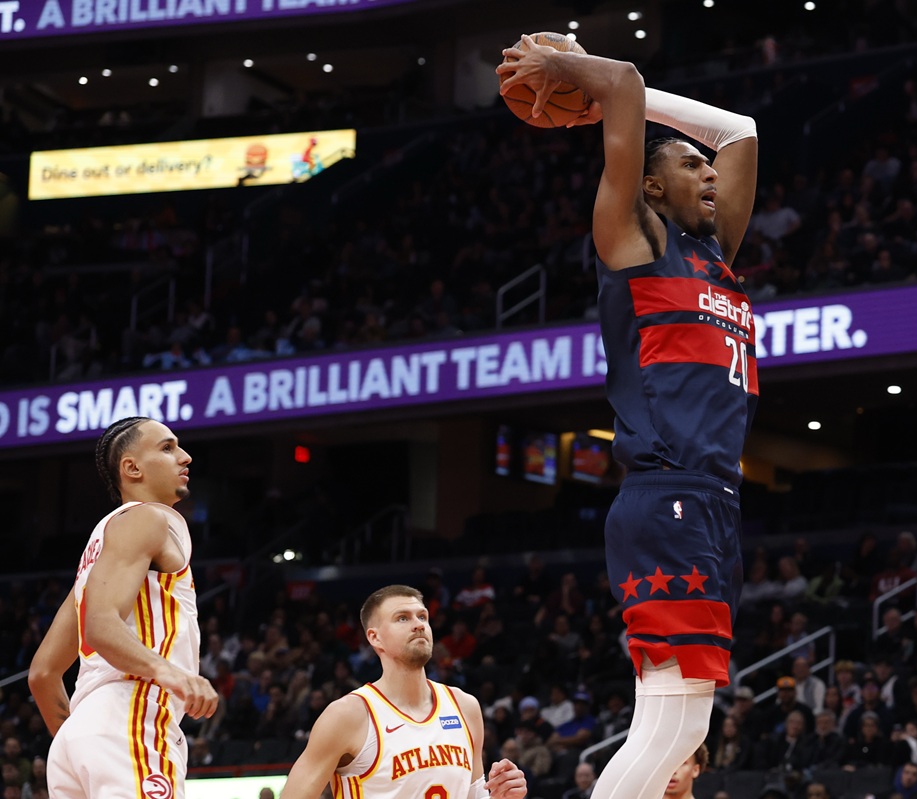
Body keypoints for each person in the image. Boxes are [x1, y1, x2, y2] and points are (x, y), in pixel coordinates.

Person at [497, 31, 758, 799]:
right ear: (648, 187)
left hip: (714, 502)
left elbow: (739, 131)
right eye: (688, 166)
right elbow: (630, 79)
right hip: (665, 492)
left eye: (705, 166)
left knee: (681, 725)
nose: (709, 173)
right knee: (677, 724)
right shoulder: (634, 242)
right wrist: (577, 69)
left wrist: (621, 95)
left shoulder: (718, 256)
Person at [28, 417, 219, 799]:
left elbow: (43, 673)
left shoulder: (96, 558)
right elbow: (100, 626)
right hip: (130, 714)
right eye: (167, 448)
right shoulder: (146, 518)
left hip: (82, 734)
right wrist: (172, 674)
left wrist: (82, 737)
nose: (185, 456)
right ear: (131, 468)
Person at [279, 585, 526, 799]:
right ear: (375, 638)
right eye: (403, 618)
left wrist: (502, 795)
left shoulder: (464, 706)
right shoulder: (348, 715)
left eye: (423, 617)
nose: (418, 625)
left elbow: (473, 794)